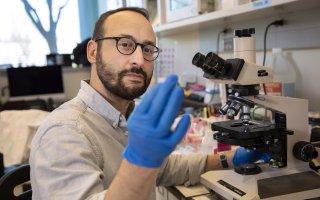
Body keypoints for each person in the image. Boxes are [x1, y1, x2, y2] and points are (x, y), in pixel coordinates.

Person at [30, 7, 268, 200]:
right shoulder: (64, 132)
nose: (139, 59)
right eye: (125, 44)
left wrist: (230, 158)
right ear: (93, 52)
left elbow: (163, 169)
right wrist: (140, 159)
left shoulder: (122, 115)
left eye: (147, 48)